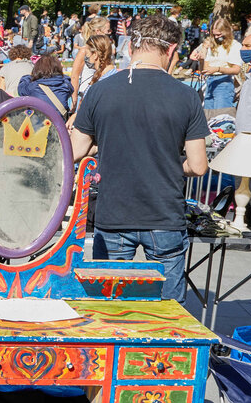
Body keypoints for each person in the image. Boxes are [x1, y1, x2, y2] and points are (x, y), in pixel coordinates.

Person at [70, 15, 209, 304]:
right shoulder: (186, 96)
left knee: (110, 309)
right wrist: (172, 164)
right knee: (168, 314)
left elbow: (75, 150)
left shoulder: (100, 90)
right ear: (171, 50)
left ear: (131, 48)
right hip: (164, 215)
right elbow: (198, 166)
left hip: (113, 214)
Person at [189, 17, 242, 110]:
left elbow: (236, 69)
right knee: (208, 115)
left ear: (227, 32)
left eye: (219, 34)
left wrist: (218, 69)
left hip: (224, 82)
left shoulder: (235, 45)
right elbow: (204, 69)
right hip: (210, 82)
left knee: (221, 115)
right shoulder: (212, 45)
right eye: (214, 35)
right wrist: (201, 59)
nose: (216, 37)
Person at [69, 17, 111, 107]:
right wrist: (74, 98)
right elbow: (75, 76)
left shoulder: (106, 50)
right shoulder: (85, 51)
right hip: (85, 95)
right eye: (108, 30)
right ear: (98, 31)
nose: (110, 33)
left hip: (101, 95)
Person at [73, 34, 118, 109]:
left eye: (87, 54)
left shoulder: (101, 83)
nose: (86, 58)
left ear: (95, 55)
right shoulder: (114, 76)